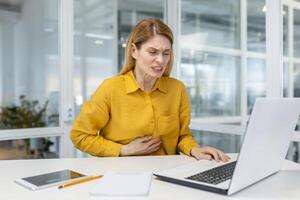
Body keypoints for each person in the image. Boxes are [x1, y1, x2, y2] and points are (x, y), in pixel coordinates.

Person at [70, 18, 230, 162]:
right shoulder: (111, 88)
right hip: (121, 176)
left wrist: (194, 149)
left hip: (168, 175)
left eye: (166, 53)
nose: (161, 60)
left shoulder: (177, 89)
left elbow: (182, 136)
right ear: (134, 51)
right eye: (152, 52)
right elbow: (80, 136)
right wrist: (123, 150)